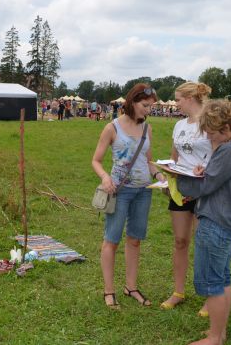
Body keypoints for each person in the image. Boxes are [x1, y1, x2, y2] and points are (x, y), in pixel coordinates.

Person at [175, 100, 231, 345]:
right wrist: (205, 172)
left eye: (210, 132)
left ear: (225, 128)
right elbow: (216, 177)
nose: (207, 136)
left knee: (213, 283)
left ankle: (214, 338)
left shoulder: (230, 150)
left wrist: (173, 179)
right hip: (228, 219)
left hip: (217, 221)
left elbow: (207, 185)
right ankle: (219, 332)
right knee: (222, 278)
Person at [92, 83, 164, 309]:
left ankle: (131, 287)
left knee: (134, 240)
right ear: (132, 102)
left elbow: (148, 160)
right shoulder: (112, 128)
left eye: (151, 106)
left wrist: (160, 174)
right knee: (111, 241)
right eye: (145, 105)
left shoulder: (147, 129)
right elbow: (96, 160)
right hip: (119, 192)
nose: (148, 110)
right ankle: (109, 291)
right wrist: (105, 177)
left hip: (144, 192)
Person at [160, 82, 213, 314]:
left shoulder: (210, 122)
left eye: (178, 99)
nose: (175, 103)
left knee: (205, 243)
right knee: (180, 241)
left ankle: (211, 297)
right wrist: (167, 178)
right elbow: (175, 156)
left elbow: (221, 154)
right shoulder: (179, 125)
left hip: (205, 190)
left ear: (191, 98)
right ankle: (178, 292)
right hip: (181, 189)